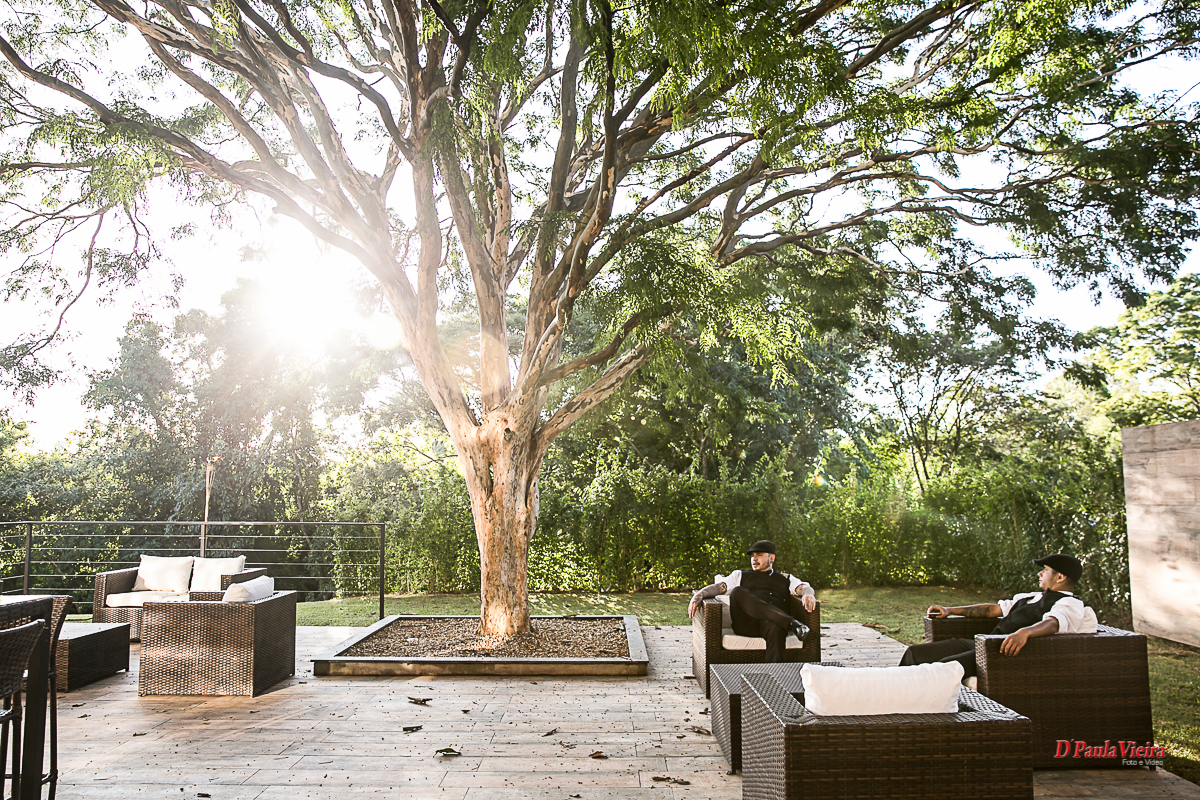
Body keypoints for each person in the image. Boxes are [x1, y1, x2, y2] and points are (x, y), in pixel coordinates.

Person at [898, 553, 1098, 676]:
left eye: (1045, 570)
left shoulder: (1070, 603)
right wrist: (951, 610)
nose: (1039, 574)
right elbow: (992, 610)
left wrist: (1025, 633)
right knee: (916, 653)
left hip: (999, 653)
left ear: (1060, 577)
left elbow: (1054, 623)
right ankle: (896, 691)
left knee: (942, 668)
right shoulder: (1032, 596)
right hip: (983, 643)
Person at [687, 540, 816, 663]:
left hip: (772, 624)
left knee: (775, 627)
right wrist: (699, 595)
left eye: (759, 555)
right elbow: (718, 587)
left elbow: (803, 588)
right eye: (752, 556)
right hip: (747, 624)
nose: (754, 559)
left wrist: (808, 594)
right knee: (737, 592)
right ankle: (792, 623)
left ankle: (775, 678)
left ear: (772, 558)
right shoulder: (740, 575)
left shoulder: (786, 578)